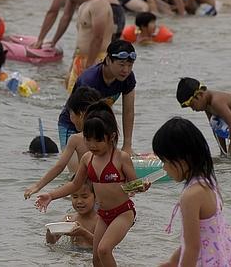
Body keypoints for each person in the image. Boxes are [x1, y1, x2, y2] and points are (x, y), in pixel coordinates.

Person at [36, 101, 148, 266]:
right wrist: (51, 196)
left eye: (98, 140)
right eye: (88, 140)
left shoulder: (121, 158)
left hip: (123, 213)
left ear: (111, 137)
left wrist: (141, 186)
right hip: (104, 214)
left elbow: (135, 185)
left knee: (104, 250)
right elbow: (74, 185)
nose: (92, 145)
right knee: (96, 259)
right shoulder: (87, 159)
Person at [152, 118, 231, 266]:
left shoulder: (191, 196)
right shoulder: (208, 182)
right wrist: (172, 262)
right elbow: (198, 237)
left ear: (183, 160)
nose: (164, 168)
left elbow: (192, 248)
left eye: (165, 161)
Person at [58, 40, 136, 157]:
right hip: (73, 123)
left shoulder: (127, 78)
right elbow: (82, 116)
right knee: (78, 169)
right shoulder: (89, 80)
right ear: (108, 60)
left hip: (98, 124)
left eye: (130, 65)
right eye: (121, 64)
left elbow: (129, 111)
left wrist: (127, 145)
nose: (126, 70)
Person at [25, 86, 102, 194]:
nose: (70, 118)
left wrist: (38, 186)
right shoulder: (108, 136)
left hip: (86, 193)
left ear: (81, 114)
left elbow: (60, 166)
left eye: (71, 113)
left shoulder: (75, 139)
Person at [66, 0, 114, 93]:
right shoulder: (84, 4)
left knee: (89, 105)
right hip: (81, 59)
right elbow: (81, 38)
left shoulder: (99, 3)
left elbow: (98, 37)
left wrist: (89, 68)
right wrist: (72, 67)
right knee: (73, 106)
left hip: (96, 61)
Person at [176, 77, 231, 156]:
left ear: (200, 95)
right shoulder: (206, 105)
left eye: (192, 105)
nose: (193, 109)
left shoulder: (216, 102)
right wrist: (223, 152)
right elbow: (216, 128)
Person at [45, 176, 97, 248]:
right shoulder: (70, 218)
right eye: (75, 197)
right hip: (73, 255)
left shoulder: (99, 220)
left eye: (84, 197)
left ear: (96, 197)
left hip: (90, 256)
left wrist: (84, 233)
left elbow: (102, 246)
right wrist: (50, 233)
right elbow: (52, 242)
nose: (79, 201)